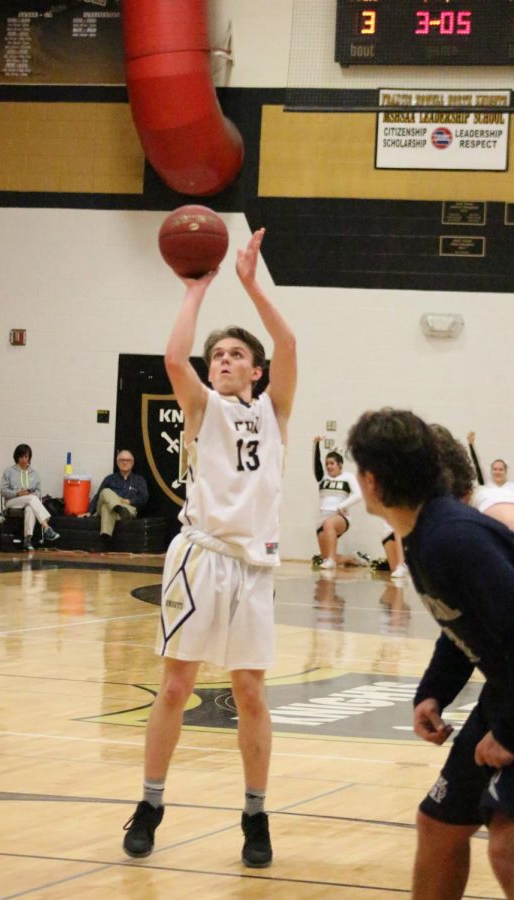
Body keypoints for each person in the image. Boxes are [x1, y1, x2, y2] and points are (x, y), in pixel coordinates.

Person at [121, 228, 297, 868]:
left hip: (253, 566)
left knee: (249, 692)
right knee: (175, 688)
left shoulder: (274, 410)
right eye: (216, 353)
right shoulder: (202, 408)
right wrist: (196, 289)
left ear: (255, 369)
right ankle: (150, 804)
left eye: (233, 355)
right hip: (199, 559)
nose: (221, 359)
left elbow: (288, 343)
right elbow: (174, 360)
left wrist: (251, 285)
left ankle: (255, 815)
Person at [347, 408, 514, 899]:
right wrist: (434, 692)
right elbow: (465, 621)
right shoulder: (424, 533)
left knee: (506, 846)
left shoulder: (453, 537)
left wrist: (508, 731)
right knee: (439, 824)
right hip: (504, 694)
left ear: (371, 482)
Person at [312, 437, 366, 569]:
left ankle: (331, 559)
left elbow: (359, 494)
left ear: (340, 465)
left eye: (332, 463)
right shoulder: (323, 478)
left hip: (340, 517)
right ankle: (351, 558)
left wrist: (343, 505)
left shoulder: (348, 477)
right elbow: (315, 463)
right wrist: (316, 444)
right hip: (322, 519)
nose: (329, 466)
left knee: (329, 524)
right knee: (326, 557)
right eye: (327, 464)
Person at [1, 444, 60, 551]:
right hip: (12, 501)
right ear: (17, 457)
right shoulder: (9, 471)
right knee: (32, 499)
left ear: (29, 458)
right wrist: (17, 493)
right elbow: (3, 491)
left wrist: (30, 494)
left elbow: (38, 493)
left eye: (26, 457)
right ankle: (46, 527)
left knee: (30, 507)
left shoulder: (35, 474)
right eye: (21, 457)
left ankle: (27, 539)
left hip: (29, 501)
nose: (24, 459)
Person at [88, 450, 148, 540]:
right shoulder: (109, 479)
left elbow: (144, 498)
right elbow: (98, 496)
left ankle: (105, 536)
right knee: (105, 491)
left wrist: (129, 501)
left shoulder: (139, 480)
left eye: (128, 460)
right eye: (121, 460)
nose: (124, 462)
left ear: (132, 463)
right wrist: (89, 512)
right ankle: (116, 506)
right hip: (113, 505)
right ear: (117, 462)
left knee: (106, 508)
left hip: (127, 510)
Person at [467, 431, 514, 530]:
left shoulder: (511, 487)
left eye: (501, 469)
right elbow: (477, 466)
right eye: (495, 469)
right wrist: (471, 445)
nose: (497, 472)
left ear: (505, 471)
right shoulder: (485, 486)